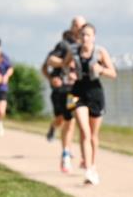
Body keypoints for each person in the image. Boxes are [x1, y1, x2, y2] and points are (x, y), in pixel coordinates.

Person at [64, 23, 116, 185]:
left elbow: (113, 73)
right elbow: (65, 65)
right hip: (77, 92)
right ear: (79, 37)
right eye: (82, 35)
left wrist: (101, 69)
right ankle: (87, 169)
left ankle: (93, 166)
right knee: (84, 131)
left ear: (94, 37)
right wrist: (70, 74)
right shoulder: (73, 51)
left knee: (93, 135)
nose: (85, 38)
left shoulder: (100, 52)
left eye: (88, 35)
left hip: (95, 93)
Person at [43, 29, 76, 160]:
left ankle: (67, 149)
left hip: (72, 91)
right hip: (59, 90)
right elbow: (46, 65)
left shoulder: (82, 49)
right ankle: (53, 126)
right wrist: (51, 79)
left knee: (71, 119)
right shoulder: (62, 46)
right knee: (61, 118)